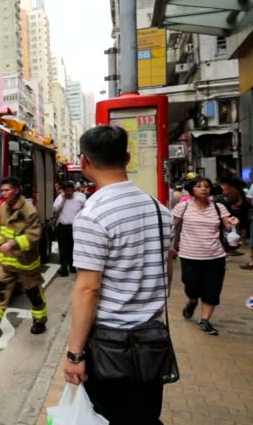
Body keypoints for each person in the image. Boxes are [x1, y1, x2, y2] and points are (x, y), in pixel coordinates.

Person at [64, 125, 172, 424]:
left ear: (83, 161)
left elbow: (88, 290)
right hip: (152, 340)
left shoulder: (92, 215)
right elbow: (167, 270)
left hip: (110, 347)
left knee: (110, 416)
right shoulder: (159, 209)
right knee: (146, 416)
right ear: (127, 158)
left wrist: (74, 354)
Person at [0, 177, 47, 336]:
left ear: (16, 190)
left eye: (7, 190)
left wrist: (12, 244)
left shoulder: (29, 211)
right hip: (5, 261)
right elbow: (3, 230)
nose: (3, 193)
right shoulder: (3, 208)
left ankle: (40, 320)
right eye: (2, 190)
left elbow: (34, 236)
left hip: (25, 263)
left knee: (33, 294)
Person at [171, 176, 239, 335]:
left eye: (206, 186)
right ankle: (192, 302)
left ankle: (204, 321)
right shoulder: (183, 207)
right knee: (192, 286)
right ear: (192, 190)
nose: (203, 188)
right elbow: (171, 226)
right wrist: (169, 247)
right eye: (199, 186)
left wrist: (232, 223)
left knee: (212, 289)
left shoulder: (218, 207)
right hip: (189, 255)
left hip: (215, 255)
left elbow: (228, 227)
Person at [53, 181, 87, 276]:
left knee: (73, 247)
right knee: (63, 248)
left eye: (70, 191)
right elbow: (55, 209)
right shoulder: (60, 198)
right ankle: (64, 268)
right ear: (64, 191)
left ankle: (72, 266)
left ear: (73, 190)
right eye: (67, 191)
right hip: (62, 227)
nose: (69, 193)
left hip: (74, 227)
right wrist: (63, 200)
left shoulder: (80, 198)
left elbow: (85, 209)